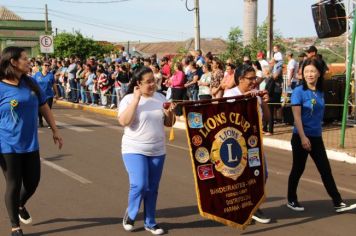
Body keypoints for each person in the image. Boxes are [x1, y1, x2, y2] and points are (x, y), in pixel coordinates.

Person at [0, 46, 63, 236]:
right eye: (25, 58)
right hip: (7, 144)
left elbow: (44, 106)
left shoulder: (31, 83)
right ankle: (15, 227)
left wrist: (55, 129)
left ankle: (19, 204)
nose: (29, 61)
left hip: (30, 144)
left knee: (32, 182)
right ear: (13, 62)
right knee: (13, 183)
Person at [287, 58, 355, 213]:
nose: (309, 74)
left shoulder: (320, 91)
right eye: (306, 71)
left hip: (316, 137)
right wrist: (303, 137)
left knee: (325, 169)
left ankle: (338, 202)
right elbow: (296, 117)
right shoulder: (298, 91)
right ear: (302, 74)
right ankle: (291, 199)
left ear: (318, 73)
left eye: (312, 71)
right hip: (300, 137)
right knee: (298, 169)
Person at [118, 66, 176, 235]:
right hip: (134, 148)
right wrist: (136, 100)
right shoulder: (128, 99)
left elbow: (169, 123)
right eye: (148, 82)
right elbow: (124, 121)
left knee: (152, 188)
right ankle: (131, 213)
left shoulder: (161, 97)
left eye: (154, 81)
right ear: (138, 83)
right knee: (140, 184)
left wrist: (169, 113)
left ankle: (150, 222)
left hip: (158, 150)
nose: (153, 84)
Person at [223, 64, 271, 224]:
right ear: (240, 79)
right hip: (235, 144)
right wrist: (245, 98)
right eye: (251, 79)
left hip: (254, 143)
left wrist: (264, 101)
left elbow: (267, 119)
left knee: (261, 173)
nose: (254, 82)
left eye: (255, 79)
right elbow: (226, 116)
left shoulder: (256, 96)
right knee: (238, 177)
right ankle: (241, 209)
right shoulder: (230, 94)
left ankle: (253, 206)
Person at [33, 61, 59, 128]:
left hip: (49, 95)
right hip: (39, 95)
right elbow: (32, 83)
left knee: (48, 110)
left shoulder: (50, 75)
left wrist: (57, 93)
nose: (47, 67)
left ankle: (50, 123)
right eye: (45, 65)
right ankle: (40, 121)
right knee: (39, 110)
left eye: (48, 65)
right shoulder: (37, 74)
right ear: (42, 66)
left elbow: (54, 84)